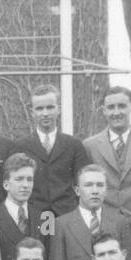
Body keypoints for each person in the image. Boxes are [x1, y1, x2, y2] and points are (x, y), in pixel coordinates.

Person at [49, 164, 131, 260]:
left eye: (100, 185)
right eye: (88, 185)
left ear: (106, 190)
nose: (95, 191)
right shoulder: (61, 224)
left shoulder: (120, 222)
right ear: (77, 190)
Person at [82, 86, 131, 218]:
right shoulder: (90, 146)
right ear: (103, 111)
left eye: (122, 106)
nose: (116, 112)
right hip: (104, 221)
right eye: (111, 107)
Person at [13, 84, 88, 221]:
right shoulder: (21, 146)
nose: (45, 113)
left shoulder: (74, 145)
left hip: (68, 215)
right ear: (32, 112)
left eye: (50, 107)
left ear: (58, 109)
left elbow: (83, 182)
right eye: (39, 108)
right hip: (35, 216)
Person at [0, 153, 44, 260]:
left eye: (29, 179)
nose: (25, 185)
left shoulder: (45, 217)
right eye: (19, 179)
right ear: (6, 185)